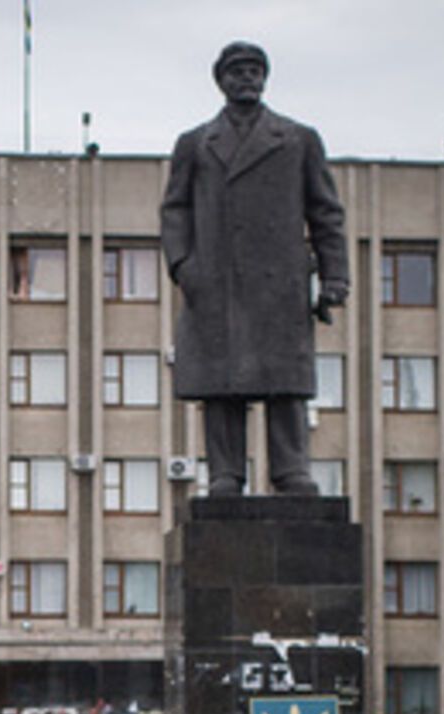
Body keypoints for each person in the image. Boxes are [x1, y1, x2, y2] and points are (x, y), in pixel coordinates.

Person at [161, 41, 349, 496]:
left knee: (285, 381)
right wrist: (185, 266)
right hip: (216, 280)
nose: (247, 77)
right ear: (220, 79)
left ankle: (290, 470)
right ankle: (227, 473)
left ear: (265, 78)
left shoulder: (298, 139)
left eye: (254, 70)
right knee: (222, 384)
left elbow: (325, 212)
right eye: (237, 70)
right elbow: (175, 209)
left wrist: (335, 276)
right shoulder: (195, 143)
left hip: (279, 280)